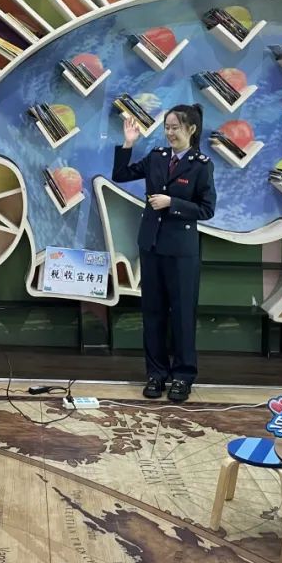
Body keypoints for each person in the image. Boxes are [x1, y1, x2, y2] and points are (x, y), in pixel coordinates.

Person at [112, 103, 216, 403]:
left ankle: (183, 376)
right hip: (152, 246)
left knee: (182, 314)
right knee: (153, 313)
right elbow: (120, 174)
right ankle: (156, 374)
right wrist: (128, 143)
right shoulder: (157, 157)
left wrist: (173, 203)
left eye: (175, 128)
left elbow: (207, 209)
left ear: (191, 129)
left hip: (181, 251)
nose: (169, 133)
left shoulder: (201, 165)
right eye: (167, 127)